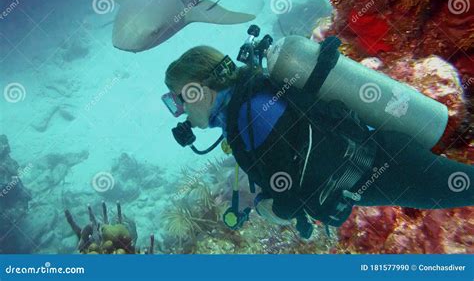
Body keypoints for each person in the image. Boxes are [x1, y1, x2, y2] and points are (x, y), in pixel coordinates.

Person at [163, 45, 474, 238]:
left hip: (389, 168)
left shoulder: (250, 114)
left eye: (177, 100)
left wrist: (280, 209)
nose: (180, 111)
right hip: (384, 158)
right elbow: (294, 156)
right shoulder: (247, 106)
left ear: (197, 92)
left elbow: (315, 162)